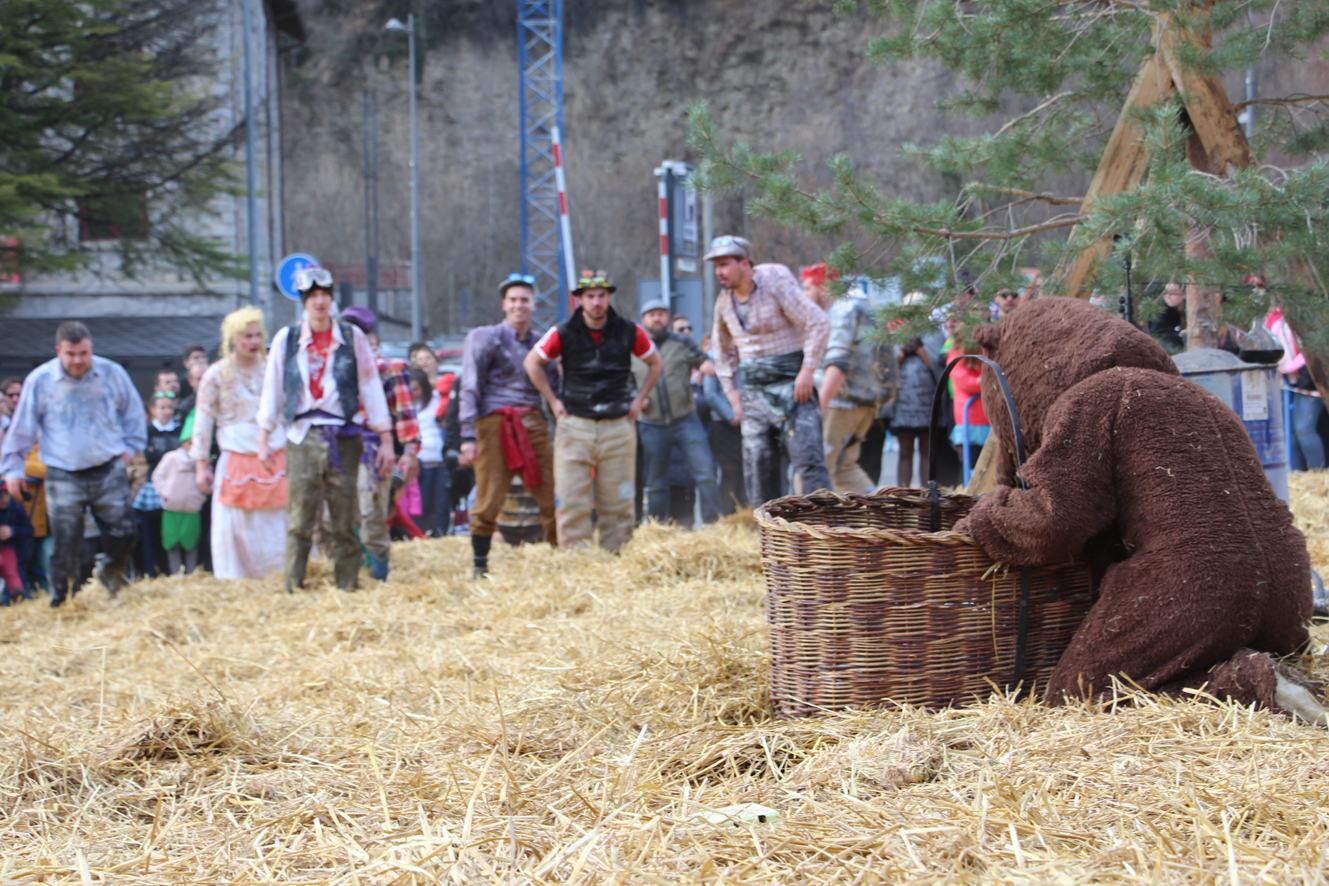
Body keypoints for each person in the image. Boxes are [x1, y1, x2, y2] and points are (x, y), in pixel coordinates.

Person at [256, 267, 393, 594]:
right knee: (300, 516)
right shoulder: (286, 339)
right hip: (302, 433)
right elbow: (273, 387)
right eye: (312, 296)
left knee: (345, 516)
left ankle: (347, 586)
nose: (319, 302)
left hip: (343, 432)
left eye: (324, 295)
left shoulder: (351, 336)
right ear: (304, 301)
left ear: (331, 299)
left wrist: (385, 436)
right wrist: (264, 437)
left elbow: (370, 386)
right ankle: (292, 586)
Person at [1, 321, 145, 606]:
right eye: (71, 354)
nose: (78, 360)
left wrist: (128, 451)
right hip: (62, 471)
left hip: (108, 466)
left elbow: (133, 414)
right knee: (66, 543)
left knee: (125, 533)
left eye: (84, 353)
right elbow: (22, 429)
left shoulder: (112, 373)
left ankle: (111, 580)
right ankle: (61, 599)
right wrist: (13, 470)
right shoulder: (40, 381)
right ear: (59, 351)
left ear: (91, 349)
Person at [524, 269, 663, 551]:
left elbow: (656, 363)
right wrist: (553, 401)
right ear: (580, 299)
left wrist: (638, 400)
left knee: (619, 501)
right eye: (590, 296)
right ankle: (576, 560)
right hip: (575, 424)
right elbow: (532, 363)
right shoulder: (562, 331)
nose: (596, 302)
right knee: (571, 500)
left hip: (618, 424)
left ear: (609, 296)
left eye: (601, 295)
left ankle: (617, 557)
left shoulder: (629, 330)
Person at [709, 236, 832, 505]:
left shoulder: (775, 283)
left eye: (725, 264)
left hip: (793, 387)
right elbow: (722, 352)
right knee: (758, 470)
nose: (719, 271)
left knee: (808, 462)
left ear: (744, 263)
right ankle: (769, 536)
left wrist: (807, 371)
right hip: (753, 393)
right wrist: (732, 394)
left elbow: (819, 323)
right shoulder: (723, 302)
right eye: (716, 265)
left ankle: (825, 530)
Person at [460, 274, 560, 576]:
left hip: (532, 420)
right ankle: (480, 566)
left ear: (534, 305)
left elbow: (556, 388)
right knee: (488, 496)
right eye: (513, 300)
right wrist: (467, 434)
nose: (519, 306)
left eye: (525, 300)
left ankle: (562, 561)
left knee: (552, 492)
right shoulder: (484, 337)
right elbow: (470, 385)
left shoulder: (544, 343)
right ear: (504, 305)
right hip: (493, 422)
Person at [191, 307, 289, 580]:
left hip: (275, 457)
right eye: (247, 336)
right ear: (233, 339)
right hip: (235, 459)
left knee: (278, 524)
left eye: (258, 335)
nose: (253, 341)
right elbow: (203, 421)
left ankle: (280, 576)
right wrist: (201, 465)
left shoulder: (274, 370)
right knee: (236, 526)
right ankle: (239, 580)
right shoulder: (216, 375)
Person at [338, 306, 421, 582]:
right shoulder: (333, 369)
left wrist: (410, 452)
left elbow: (405, 413)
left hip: (373, 449)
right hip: (336, 448)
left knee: (371, 510)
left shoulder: (389, 368)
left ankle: (379, 571)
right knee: (337, 513)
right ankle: (350, 571)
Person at [801, 263, 897, 493]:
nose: (803, 296)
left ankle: (805, 526)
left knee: (813, 469)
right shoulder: (864, 305)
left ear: (823, 287)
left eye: (806, 288)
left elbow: (838, 362)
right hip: (863, 403)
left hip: (839, 402)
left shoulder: (841, 311)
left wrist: (819, 406)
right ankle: (881, 515)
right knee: (845, 468)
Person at [634, 299, 720, 526]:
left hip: (685, 420)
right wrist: (635, 397)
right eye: (652, 314)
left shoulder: (682, 342)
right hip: (651, 423)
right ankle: (658, 529)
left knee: (706, 471)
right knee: (655, 482)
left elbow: (702, 360)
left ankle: (714, 524)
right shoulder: (634, 347)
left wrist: (706, 366)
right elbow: (623, 381)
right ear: (643, 320)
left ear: (668, 318)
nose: (657, 318)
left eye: (661, 314)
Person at [1267, 305, 1326, 470]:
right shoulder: (1273, 318)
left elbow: (1313, 347)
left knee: (1304, 430)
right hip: (1287, 380)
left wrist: (1290, 367)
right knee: (1291, 434)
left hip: (1311, 379)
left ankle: (1319, 474)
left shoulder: (1308, 313)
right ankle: (1297, 473)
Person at [133, 391, 181, 577]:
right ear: (153, 409)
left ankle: (172, 572)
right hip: (151, 490)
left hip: (177, 489)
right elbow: (148, 457)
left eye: (170, 407)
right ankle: (151, 574)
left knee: (171, 533)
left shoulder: (179, 430)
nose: (167, 411)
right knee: (150, 535)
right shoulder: (146, 432)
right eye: (162, 407)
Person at [409, 367, 450, 537]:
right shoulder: (406, 405)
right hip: (420, 460)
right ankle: (418, 536)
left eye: (416, 389)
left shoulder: (437, 400)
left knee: (442, 503)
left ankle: (441, 537)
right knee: (420, 503)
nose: (413, 393)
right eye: (410, 389)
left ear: (424, 388)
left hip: (440, 459)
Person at [0, 484, 33, 603]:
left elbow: (29, 529)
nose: (4, 499)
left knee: (10, 567)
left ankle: (18, 594)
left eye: (6, 494)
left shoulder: (15, 509)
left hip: (7, 546)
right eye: (1, 495)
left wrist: (13, 531)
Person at [1148, 282, 1186, 352]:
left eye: (1173, 292)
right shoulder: (1160, 313)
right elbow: (1157, 336)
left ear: (1184, 293)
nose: (1168, 295)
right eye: (1166, 292)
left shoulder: (1196, 312)